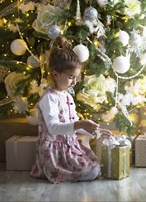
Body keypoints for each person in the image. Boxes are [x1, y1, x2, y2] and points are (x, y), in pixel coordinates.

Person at [30, 36, 110, 183]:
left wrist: (96, 131)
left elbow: (73, 124)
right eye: (71, 77)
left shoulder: (66, 95)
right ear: (55, 74)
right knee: (92, 171)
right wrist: (80, 124)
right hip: (54, 152)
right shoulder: (49, 98)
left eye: (76, 78)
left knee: (96, 165)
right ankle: (57, 171)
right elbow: (54, 128)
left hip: (70, 147)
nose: (74, 82)